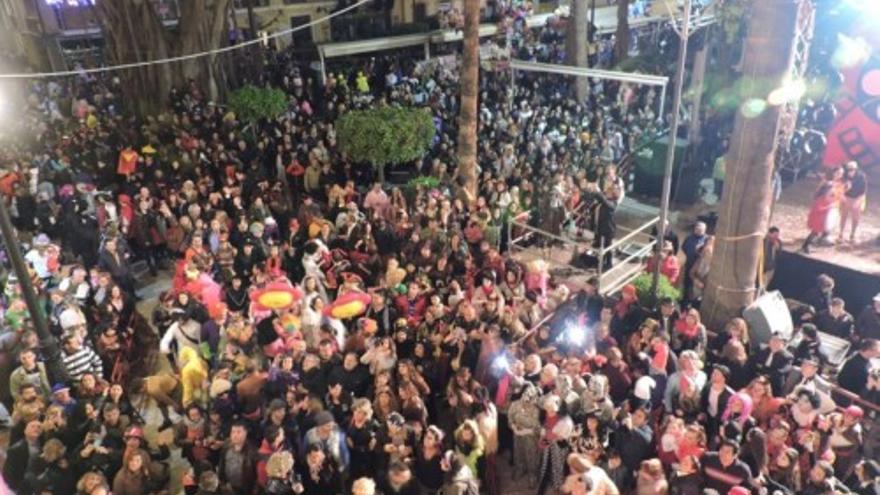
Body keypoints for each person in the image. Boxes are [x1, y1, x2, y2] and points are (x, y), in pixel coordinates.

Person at [803, 167, 845, 253]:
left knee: (826, 227)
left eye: (841, 173)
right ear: (834, 173)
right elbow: (820, 195)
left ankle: (821, 241)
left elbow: (839, 197)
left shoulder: (839, 184)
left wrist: (837, 202)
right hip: (822, 207)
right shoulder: (827, 183)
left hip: (830, 208)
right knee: (816, 229)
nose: (839, 175)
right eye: (838, 173)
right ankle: (806, 245)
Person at [839, 160, 867, 244]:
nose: (850, 171)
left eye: (852, 169)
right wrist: (842, 194)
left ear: (856, 169)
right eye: (848, 169)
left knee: (855, 218)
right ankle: (841, 233)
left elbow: (863, 191)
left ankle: (852, 234)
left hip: (857, 197)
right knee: (843, 216)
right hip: (846, 197)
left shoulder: (861, 176)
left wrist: (858, 201)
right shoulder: (844, 175)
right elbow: (840, 187)